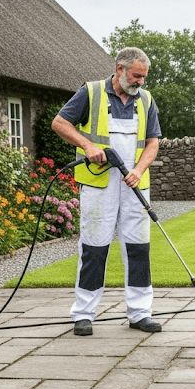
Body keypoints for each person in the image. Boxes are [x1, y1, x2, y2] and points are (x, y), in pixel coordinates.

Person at [51, 47, 163, 336]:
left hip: (134, 183)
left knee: (139, 248)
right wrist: (88, 146)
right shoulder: (91, 92)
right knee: (94, 247)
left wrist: (138, 170)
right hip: (99, 183)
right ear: (120, 69)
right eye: (136, 76)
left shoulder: (146, 100)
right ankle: (84, 314)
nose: (140, 82)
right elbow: (60, 122)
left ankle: (140, 313)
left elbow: (153, 142)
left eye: (143, 77)